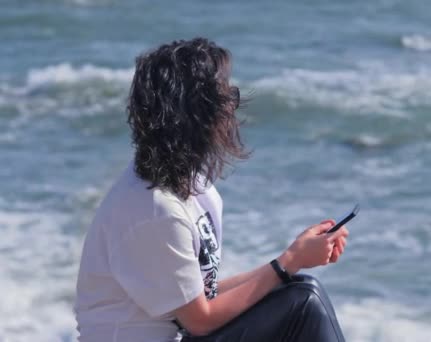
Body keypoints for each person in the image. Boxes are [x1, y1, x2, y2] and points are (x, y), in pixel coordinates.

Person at [74, 37, 349, 342]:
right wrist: (288, 261)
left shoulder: (192, 187)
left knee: (297, 290)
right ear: (195, 112)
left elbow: (201, 300)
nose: (232, 101)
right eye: (223, 93)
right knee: (303, 303)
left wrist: (291, 262)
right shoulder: (154, 208)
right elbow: (200, 321)